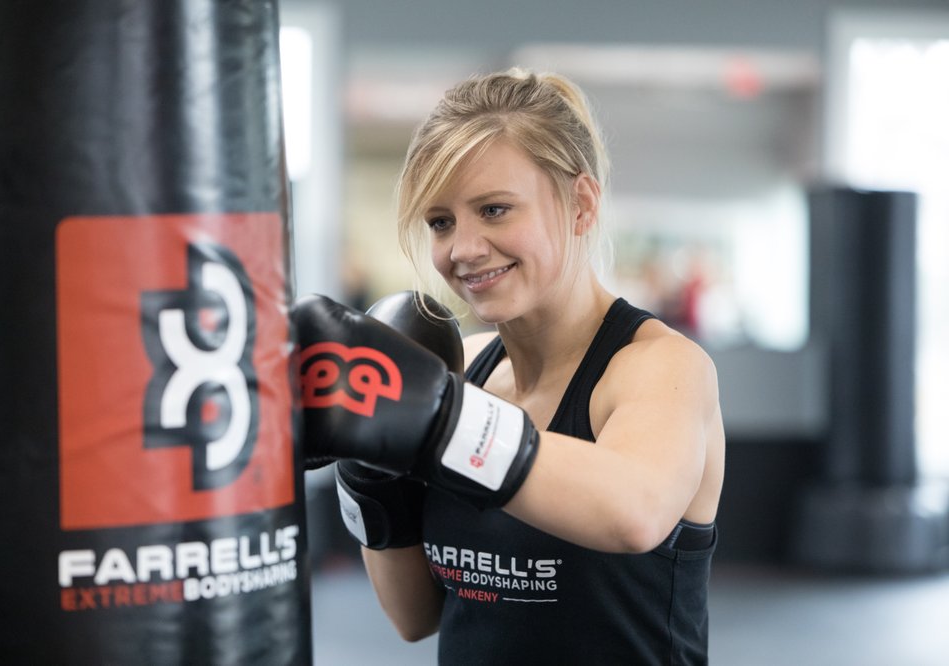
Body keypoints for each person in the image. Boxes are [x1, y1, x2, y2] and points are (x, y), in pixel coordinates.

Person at [295, 68, 724, 665]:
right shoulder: (460, 370)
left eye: (494, 210)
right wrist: (367, 468)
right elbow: (414, 616)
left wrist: (434, 423)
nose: (463, 249)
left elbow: (635, 513)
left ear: (581, 204)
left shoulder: (660, 367)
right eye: (441, 222)